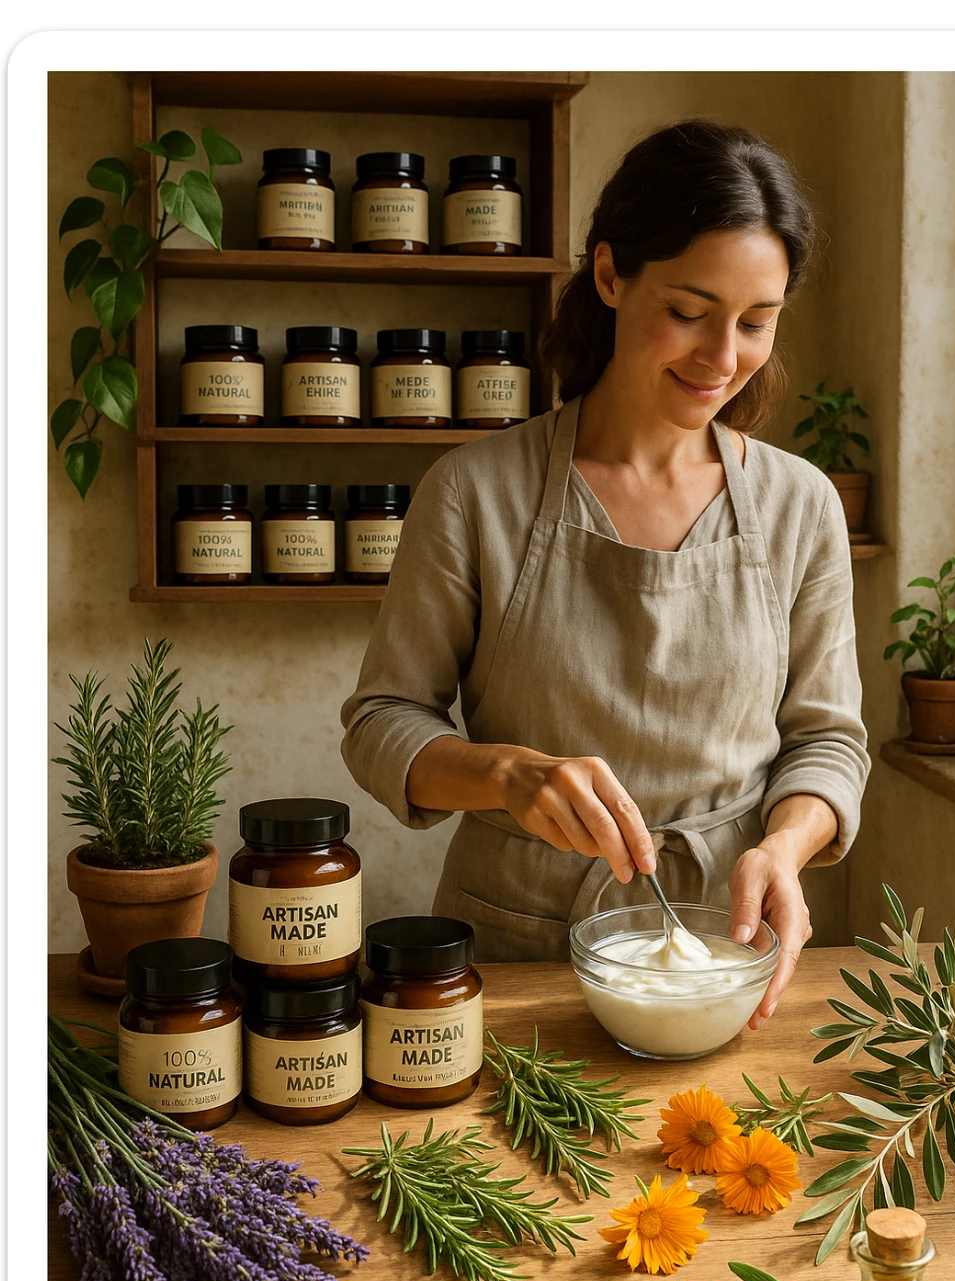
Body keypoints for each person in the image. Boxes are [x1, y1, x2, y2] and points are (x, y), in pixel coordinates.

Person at [341, 118, 870, 1028]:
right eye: (689, 311)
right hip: (514, 958)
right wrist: (507, 774)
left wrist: (784, 848)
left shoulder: (801, 504)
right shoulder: (474, 493)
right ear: (611, 274)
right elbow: (380, 724)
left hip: (723, 951)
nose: (722, 358)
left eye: (756, 322)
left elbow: (829, 742)